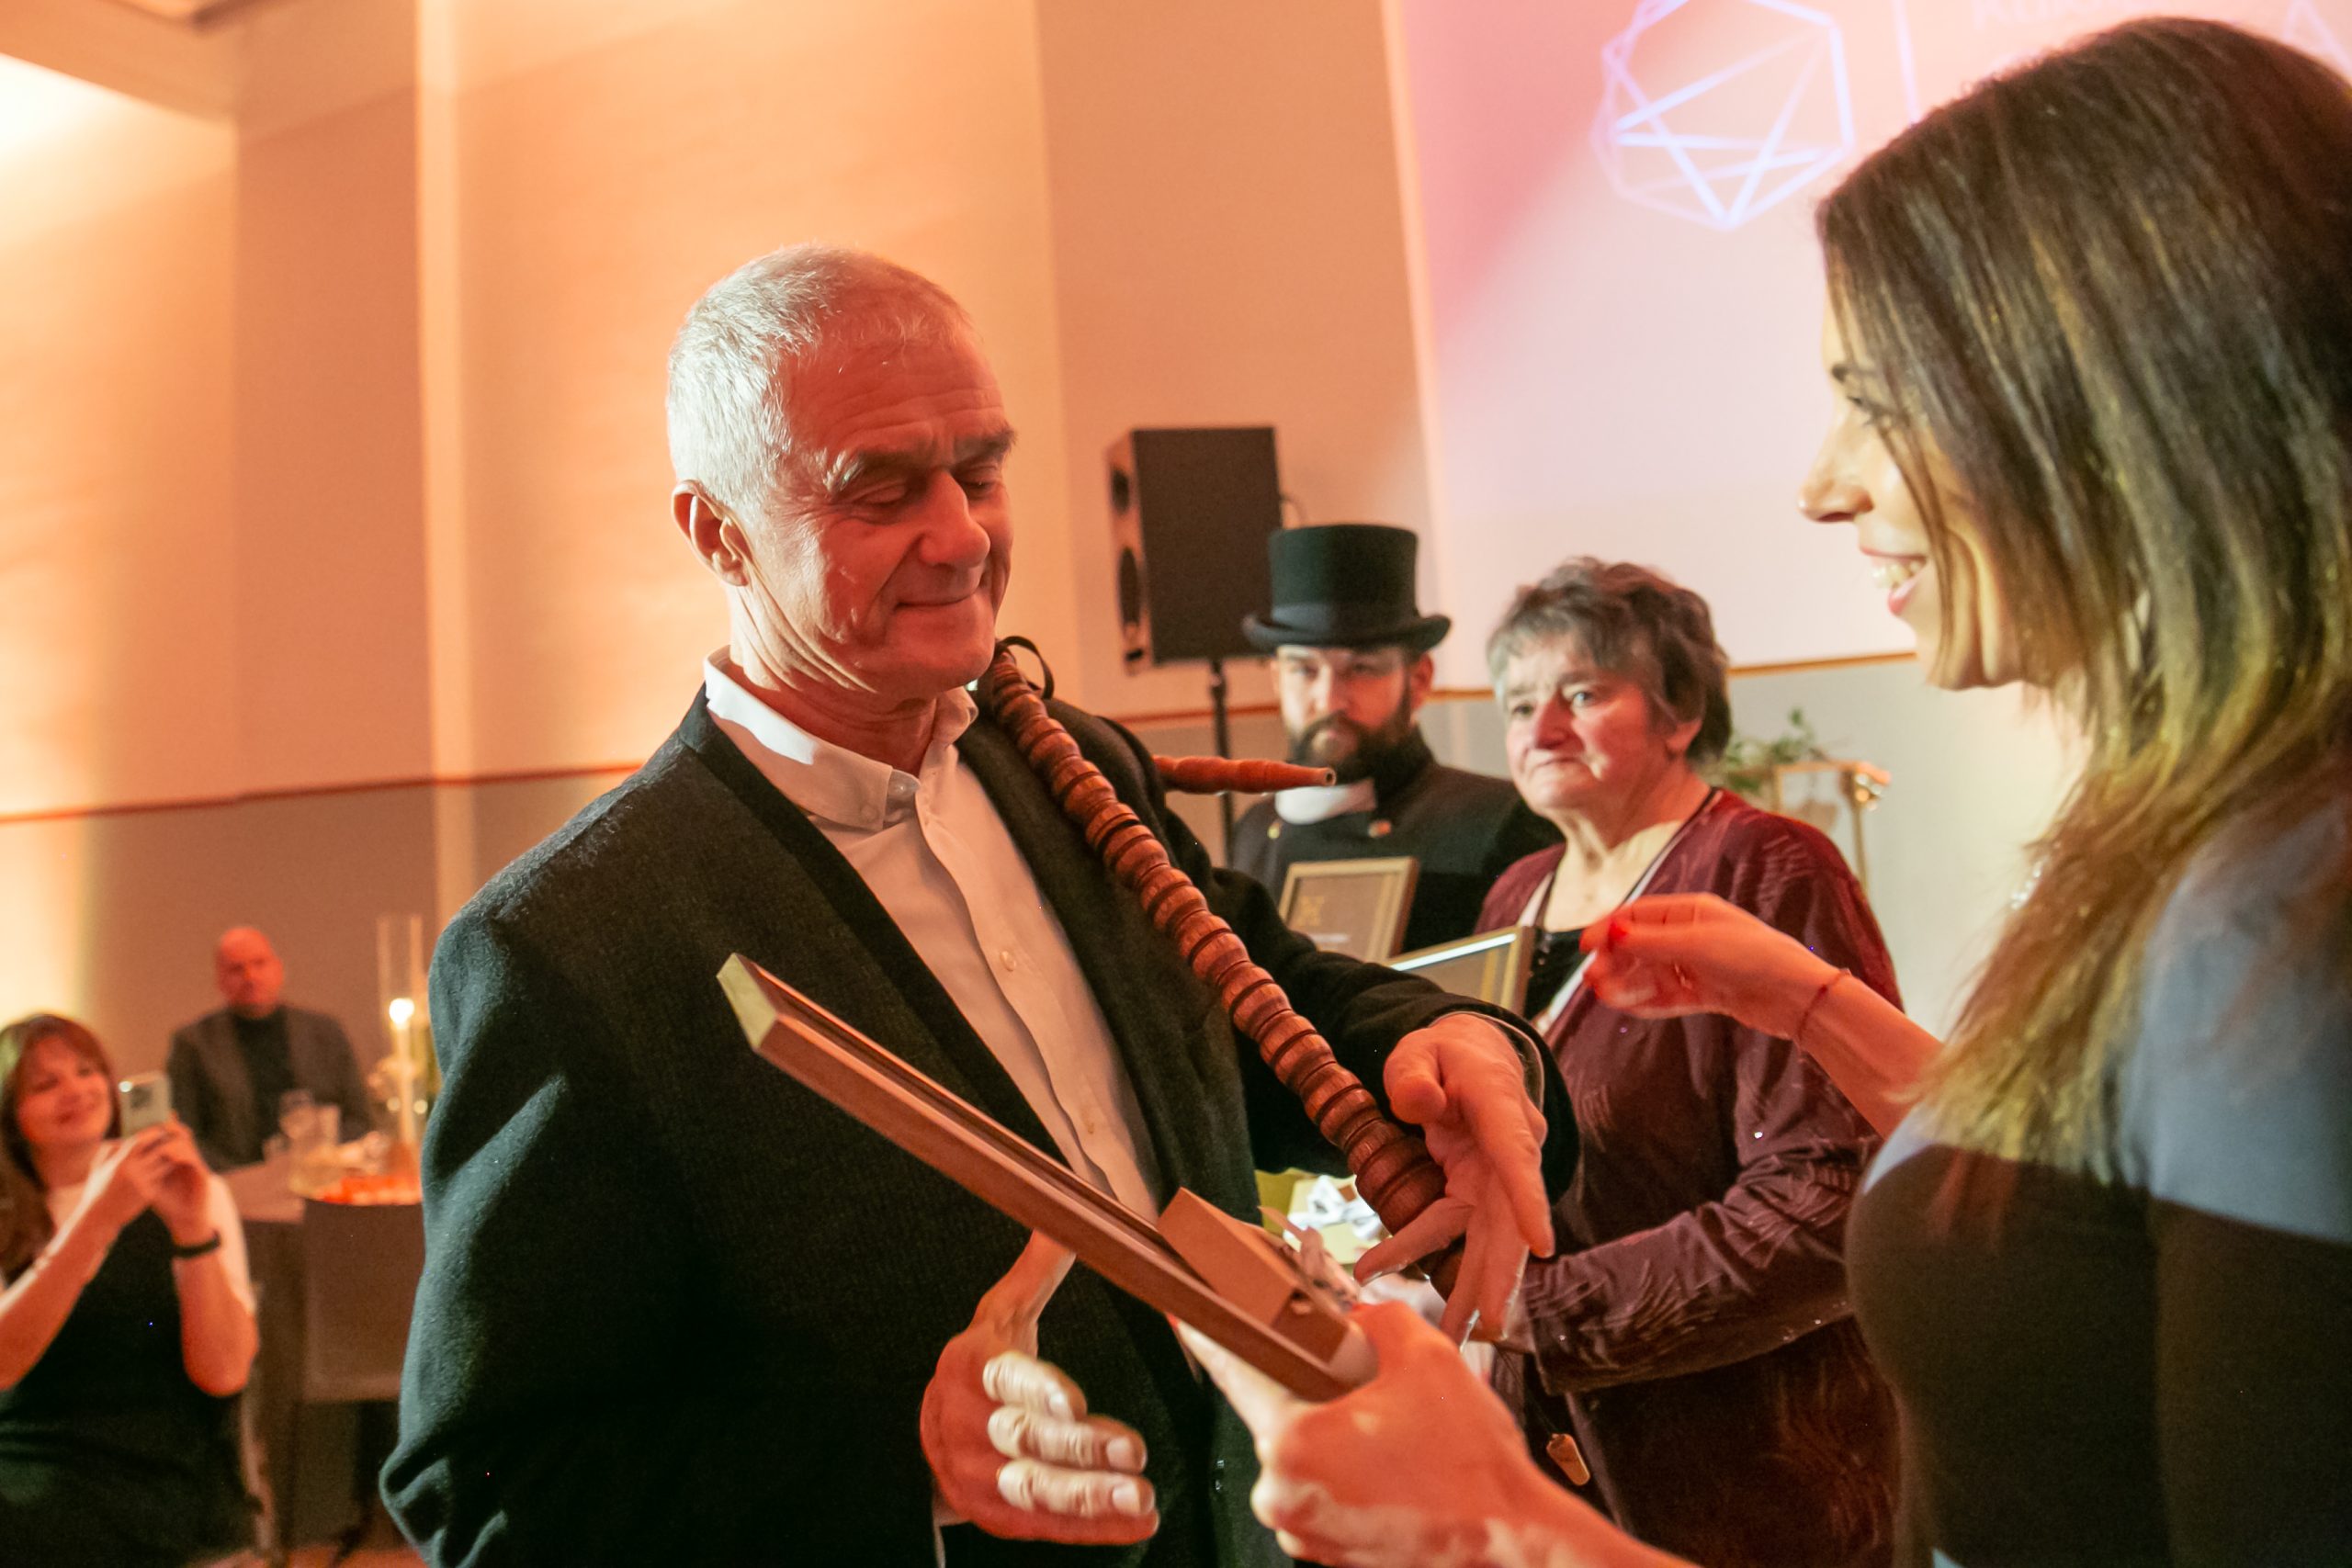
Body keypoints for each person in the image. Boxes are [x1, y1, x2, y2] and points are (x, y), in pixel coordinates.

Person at [1174, 17, 2352, 1568]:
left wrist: (1500, 1528)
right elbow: (2092, 1184)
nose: (1824, 483)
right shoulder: (2193, 841)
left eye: (1882, 399)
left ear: (2112, 403)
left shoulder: (2288, 911)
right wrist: (1810, 1004)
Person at [382, 243, 1566, 1568]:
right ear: (717, 531)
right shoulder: (571, 947)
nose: (962, 537)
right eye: (879, 491)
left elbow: (1259, 990)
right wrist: (906, 1464)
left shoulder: (1067, 762)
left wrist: (1448, 1042)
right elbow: (485, 1490)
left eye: (981, 472)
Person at [1459, 558, 1895, 1567]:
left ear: (1681, 712)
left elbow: (1825, 1200)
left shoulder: (1767, 866)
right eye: (1518, 705)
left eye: (1581, 694)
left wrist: (1534, 1311)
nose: (1541, 729)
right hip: (1552, 1464)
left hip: (1748, 1473)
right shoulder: (1515, 894)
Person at [0, 1013, 257, 1567]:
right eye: (45, 1084)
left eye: (86, 1071)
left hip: (161, 1461)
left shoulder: (194, 1190)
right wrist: (97, 1219)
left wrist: (191, 1229)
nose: (75, 1090)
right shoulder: (7, 1214)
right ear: (11, 1114)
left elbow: (224, 1374)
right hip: (28, 1457)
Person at [1233, 524, 1558, 954]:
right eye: (1304, 670)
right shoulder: (1254, 830)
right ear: (1277, 679)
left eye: (1361, 669)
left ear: (1419, 679)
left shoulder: (1498, 821)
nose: (1329, 698)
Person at [167, 926, 373, 1169]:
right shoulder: (194, 1044)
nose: (250, 976)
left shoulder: (324, 1033)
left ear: (279, 969)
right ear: (220, 980)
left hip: (323, 1173)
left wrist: (324, 1157)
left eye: (259, 964)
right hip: (238, 1179)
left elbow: (359, 1118)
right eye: (237, 969)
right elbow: (185, 1135)